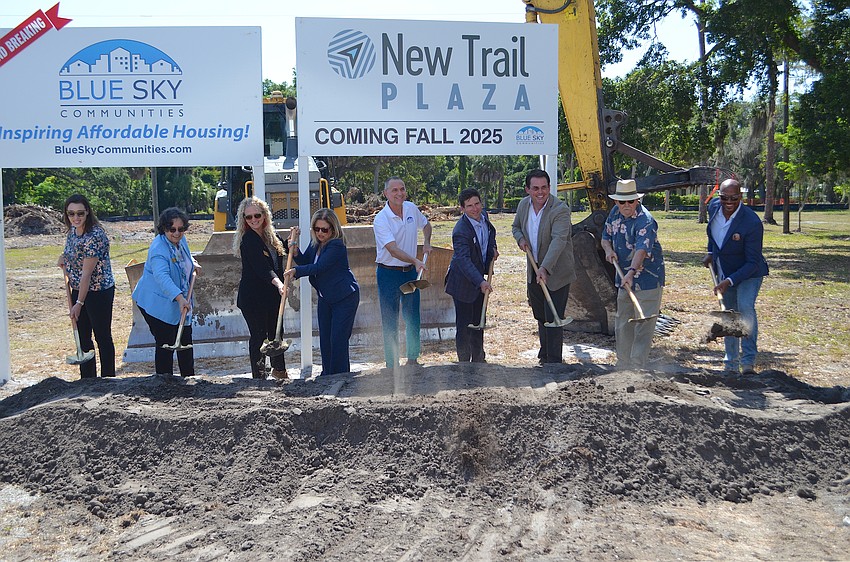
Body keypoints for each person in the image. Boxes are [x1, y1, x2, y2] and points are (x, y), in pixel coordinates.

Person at [702, 178, 769, 375]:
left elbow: (753, 262)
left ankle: (747, 362)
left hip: (749, 273)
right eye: (724, 197)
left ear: (741, 196)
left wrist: (729, 281)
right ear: (719, 196)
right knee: (729, 315)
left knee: (745, 308)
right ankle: (730, 364)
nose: (728, 202)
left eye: (734, 198)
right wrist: (711, 253)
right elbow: (713, 236)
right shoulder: (714, 208)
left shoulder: (751, 222)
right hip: (725, 271)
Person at [511, 169, 576, 364]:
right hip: (534, 266)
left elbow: (559, 240)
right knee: (540, 314)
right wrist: (520, 239)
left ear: (549, 187)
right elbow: (516, 227)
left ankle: (554, 361)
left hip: (556, 270)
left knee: (554, 317)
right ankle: (544, 355)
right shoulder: (523, 206)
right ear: (527, 190)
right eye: (536, 188)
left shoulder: (560, 209)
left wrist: (545, 268)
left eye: (544, 187)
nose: (541, 192)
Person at [284, 209, 360, 376]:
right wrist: (295, 251)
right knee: (325, 339)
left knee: (337, 339)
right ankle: (328, 374)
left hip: (344, 297)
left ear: (333, 229)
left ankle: (340, 376)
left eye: (324, 230)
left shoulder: (337, 245)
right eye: (316, 229)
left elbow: (319, 267)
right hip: (326, 297)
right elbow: (307, 261)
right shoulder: (316, 244)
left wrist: (296, 271)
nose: (320, 233)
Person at [601, 179, 666, 370]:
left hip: (647, 279)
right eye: (622, 202)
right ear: (616, 202)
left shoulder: (645, 220)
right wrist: (608, 250)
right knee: (623, 322)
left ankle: (637, 367)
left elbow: (641, 251)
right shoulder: (614, 214)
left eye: (631, 201)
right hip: (623, 277)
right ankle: (622, 364)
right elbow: (605, 238)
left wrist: (630, 272)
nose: (626, 205)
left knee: (643, 324)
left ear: (637, 200)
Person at [132, 207, 201, 377]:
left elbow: (185, 254)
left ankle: (189, 380)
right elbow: (162, 277)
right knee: (165, 342)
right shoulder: (158, 249)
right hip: (157, 304)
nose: (177, 233)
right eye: (172, 229)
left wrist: (193, 263)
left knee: (185, 340)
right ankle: (164, 382)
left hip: (180, 300)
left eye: (181, 229)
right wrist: (179, 299)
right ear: (164, 229)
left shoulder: (180, 240)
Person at [373, 176, 432, 369]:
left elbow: (427, 225)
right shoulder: (381, 219)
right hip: (388, 274)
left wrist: (427, 242)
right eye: (394, 190)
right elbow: (392, 249)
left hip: (409, 275)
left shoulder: (411, 208)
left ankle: (413, 359)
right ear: (386, 194)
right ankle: (392, 364)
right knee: (390, 319)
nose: (399, 193)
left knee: (412, 316)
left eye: (402, 189)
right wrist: (416, 260)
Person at [57, 194, 116, 379]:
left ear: (87, 212)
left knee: (102, 336)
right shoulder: (72, 232)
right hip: (78, 289)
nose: (75, 218)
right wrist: (63, 257)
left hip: (99, 291)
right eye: (71, 214)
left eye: (80, 213)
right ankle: (88, 380)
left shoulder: (95, 236)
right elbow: (74, 254)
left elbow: (87, 274)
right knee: (83, 336)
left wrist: (79, 303)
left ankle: (107, 379)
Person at [233, 197, 289, 380]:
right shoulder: (248, 240)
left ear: (265, 215)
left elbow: (284, 256)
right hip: (253, 299)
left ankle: (279, 371)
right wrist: (279, 284)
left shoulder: (273, 237)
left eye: (257, 215)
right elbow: (263, 269)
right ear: (244, 219)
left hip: (272, 297)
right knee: (259, 336)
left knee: (277, 334)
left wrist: (292, 242)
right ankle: (259, 375)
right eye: (248, 217)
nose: (253, 220)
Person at [445, 188, 498, 363]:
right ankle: (464, 364)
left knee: (479, 321)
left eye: (477, 204)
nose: (475, 209)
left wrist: (492, 251)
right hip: (463, 283)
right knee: (465, 326)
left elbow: (490, 235)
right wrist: (480, 281)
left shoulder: (485, 218)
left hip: (479, 281)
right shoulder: (460, 230)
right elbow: (463, 260)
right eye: (469, 206)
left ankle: (478, 360)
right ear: (462, 209)